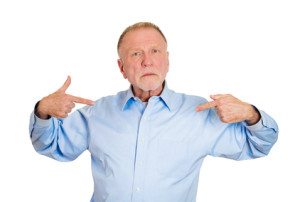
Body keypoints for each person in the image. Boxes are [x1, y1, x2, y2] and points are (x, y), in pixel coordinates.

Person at [29, 22, 278, 202]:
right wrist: (43, 112)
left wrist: (250, 114)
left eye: (155, 51)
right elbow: (51, 144)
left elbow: (258, 145)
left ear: (167, 61)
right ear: (122, 67)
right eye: (136, 54)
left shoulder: (199, 112)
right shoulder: (97, 113)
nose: (147, 61)